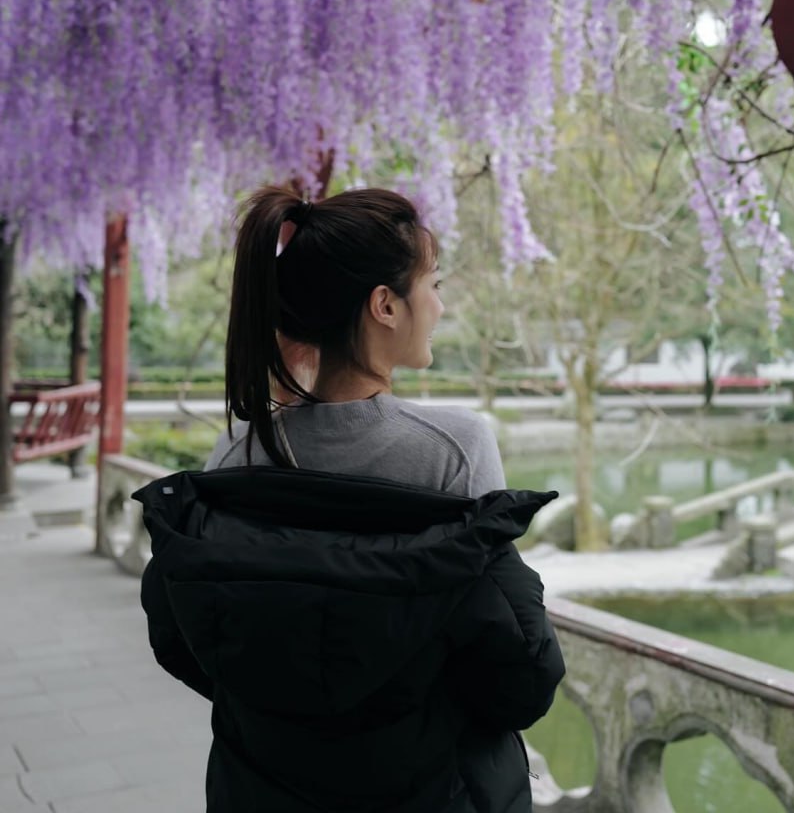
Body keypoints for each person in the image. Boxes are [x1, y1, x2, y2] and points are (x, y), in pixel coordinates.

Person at [134, 186, 565, 813]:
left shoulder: (234, 455)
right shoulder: (455, 450)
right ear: (385, 304)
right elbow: (514, 672)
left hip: (261, 785)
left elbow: (194, 639)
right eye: (434, 285)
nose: (441, 306)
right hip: (425, 787)